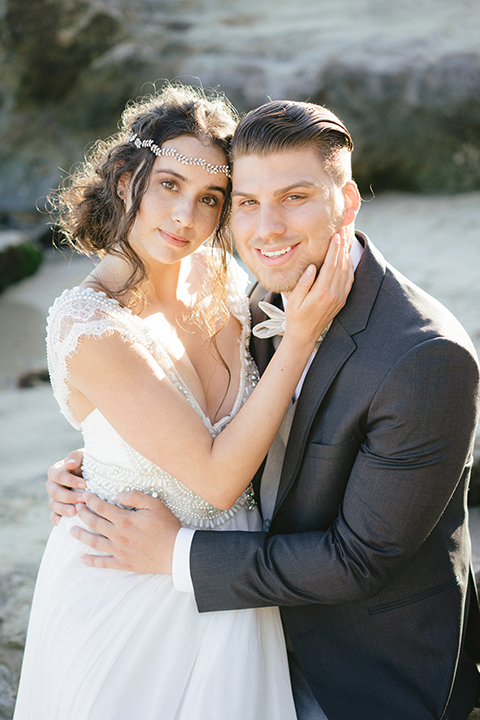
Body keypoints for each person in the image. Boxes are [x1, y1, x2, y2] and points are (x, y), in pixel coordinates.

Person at [47, 99, 480, 720]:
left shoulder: (422, 358)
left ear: (348, 202)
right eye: (247, 202)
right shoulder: (253, 290)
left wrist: (176, 552)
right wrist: (103, 460)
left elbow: (357, 559)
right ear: (126, 182)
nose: (266, 228)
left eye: (295, 197)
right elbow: (194, 414)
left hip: (360, 661)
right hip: (205, 606)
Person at [14, 86, 354, 720]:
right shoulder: (92, 327)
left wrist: (96, 457)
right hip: (131, 591)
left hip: (232, 575)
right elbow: (219, 478)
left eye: (211, 200)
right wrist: (300, 338)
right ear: (124, 179)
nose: (185, 217)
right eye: (167, 184)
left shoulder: (222, 277)